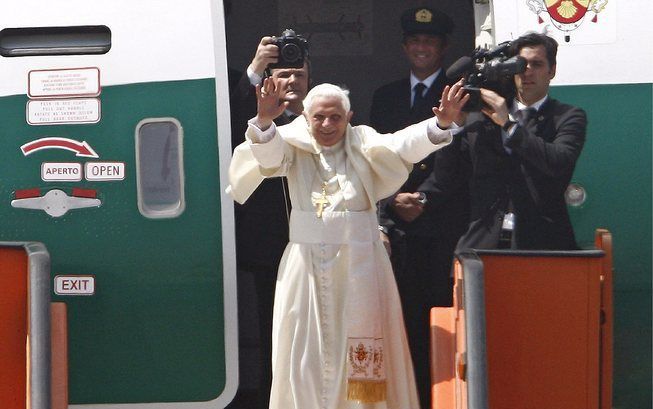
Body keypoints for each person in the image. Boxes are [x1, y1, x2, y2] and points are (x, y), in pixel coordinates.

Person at [227, 80, 466, 409]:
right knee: (306, 351)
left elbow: (402, 145)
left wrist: (439, 124)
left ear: (349, 116)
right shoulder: (294, 145)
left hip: (361, 266)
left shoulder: (364, 142)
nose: (327, 125)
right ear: (307, 117)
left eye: (336, 118)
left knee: (359, 351)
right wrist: (266, 121)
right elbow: (268, 155)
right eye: (319, 118)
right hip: (305, 267)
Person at [370, 8, 469, 408]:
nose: (421, 47)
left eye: (429, 41)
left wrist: (425, 197)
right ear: (404, 46)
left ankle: (438, 396)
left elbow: (460, 158)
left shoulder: (459, 94)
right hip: (397, 227)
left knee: (439, 316)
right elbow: (376, 155)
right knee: (401, 317)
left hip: (441, 225)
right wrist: (391, 200)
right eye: (414, 40)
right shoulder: (386, 95)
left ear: (443, 47)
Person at [440, 32, 587, 251]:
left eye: (537, 64)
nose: (527, 71)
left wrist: (509, 125)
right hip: (483, 244)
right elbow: (447, 177)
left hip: (543, 244)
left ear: (552, 71)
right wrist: (449, 127)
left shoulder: (568, 116)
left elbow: (559, 163)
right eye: (521, 64)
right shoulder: (481, 116)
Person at [227, 34, 310, 409]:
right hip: (269, 245)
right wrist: (256, 68)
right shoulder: (256, 116)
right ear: (270, 82)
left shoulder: (322, 117)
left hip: (316, 244)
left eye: (300, 75)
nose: (292, 82)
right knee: (274, 329)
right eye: (285, 74)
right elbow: (233, 117)